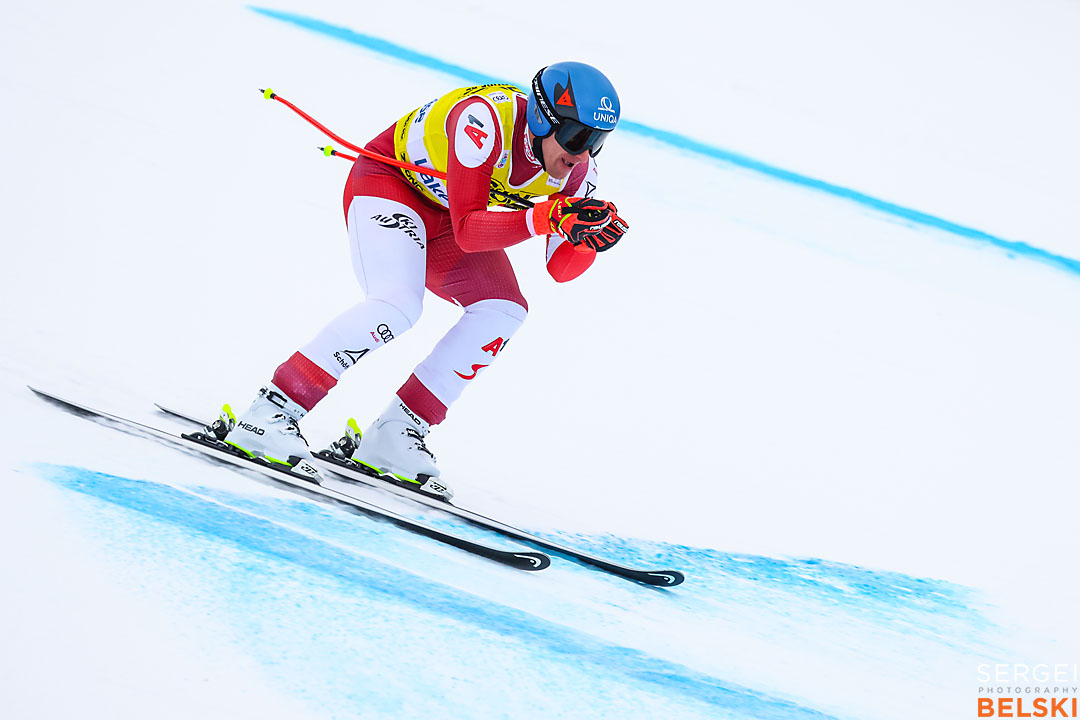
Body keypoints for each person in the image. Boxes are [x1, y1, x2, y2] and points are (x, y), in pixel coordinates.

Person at [206, 61, 629, 499]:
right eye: (577, 137)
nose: (582, 154)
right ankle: (271, 412)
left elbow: (560, 270)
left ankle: (396, 433)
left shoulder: (579, 173)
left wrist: (588, 241)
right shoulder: (484, 120)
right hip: (390, 185)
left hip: (446, 216)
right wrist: (544, 217)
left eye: (597, 142)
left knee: (504, 310)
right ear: (543, 117)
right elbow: (468, 229)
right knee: (397, 304)